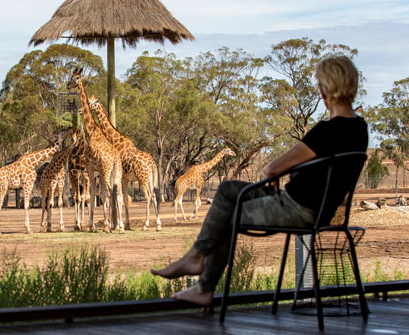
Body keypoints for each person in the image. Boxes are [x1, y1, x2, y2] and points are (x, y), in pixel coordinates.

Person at [151, 55, 369, 306]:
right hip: (314, 209)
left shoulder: (328, 131)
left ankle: (202, 281)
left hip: (297, 209)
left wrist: (274, 174)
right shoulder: (360, 130)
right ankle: (196, 261)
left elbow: (273, 166)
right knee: (228, 189)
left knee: (225, 218)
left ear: (325, 89)